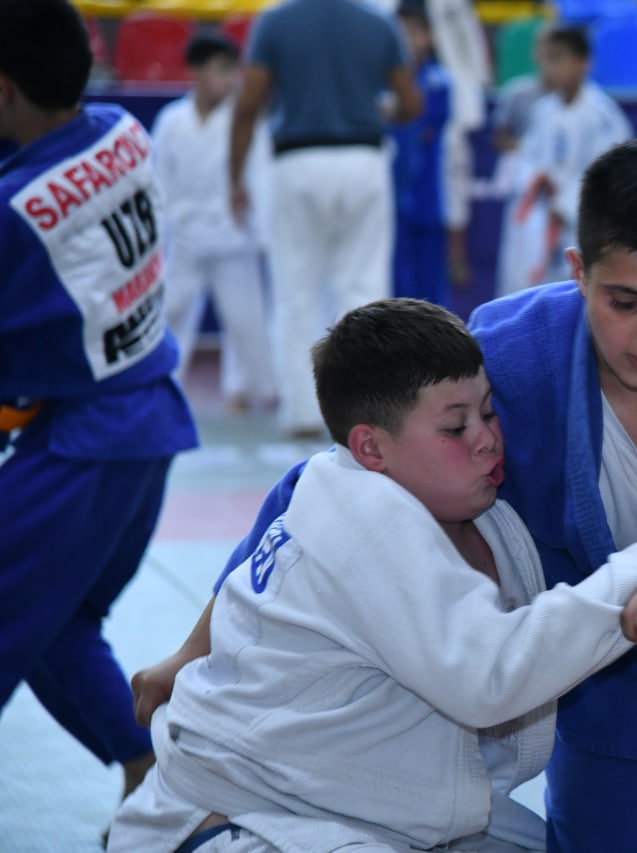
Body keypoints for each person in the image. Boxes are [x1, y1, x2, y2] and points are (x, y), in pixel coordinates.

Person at [132, 138, 637, 852]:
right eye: (625, 301)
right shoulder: (512, 358)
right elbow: (324, 489)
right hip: (614, 692)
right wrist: (193, 650)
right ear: (578, 271)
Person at [109, 298, 637, 852]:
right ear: (371, 449)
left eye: (489, 413)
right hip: (240, 818)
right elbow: (488, 678)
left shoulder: (472, 513)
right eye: (455, 428)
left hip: (346, 807)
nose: (487, 439)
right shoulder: (365, 516)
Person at [0, 0, 198, 820]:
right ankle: (146, 765)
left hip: (85, 443)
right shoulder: (122, 131)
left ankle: (163, 782)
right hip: (145, 416)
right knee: (57, 622)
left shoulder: (15, 212)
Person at [230, 0, 423, 439]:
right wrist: (383, 109)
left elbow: (248, 104)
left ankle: (302, 412)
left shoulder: (274, 22)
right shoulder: (378, 24)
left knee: (295, 291)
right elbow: (411, 102)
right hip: (364, 159)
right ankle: (368, 411)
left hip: (296, 161)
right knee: (364, 289)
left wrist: (235, 176)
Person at [152, 33, 275, 413]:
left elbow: (259, 177)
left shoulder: (244, 121)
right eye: (221, 70)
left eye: (233, 70)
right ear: (195, 72)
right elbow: (158, 180)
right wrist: (160, 231)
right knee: (170, 312)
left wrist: (263, 234)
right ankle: (162, 386)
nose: (230, 79)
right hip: (184, 234)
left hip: (232, 233)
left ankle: (246, 389)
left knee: (245, 320)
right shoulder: (172, 120)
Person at [515, 25, 631, 285]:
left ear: (583, 63)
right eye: (546, 58)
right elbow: (527, 158)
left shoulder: (602, 115)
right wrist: (536, 180)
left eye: (558, 58)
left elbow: (607, 174)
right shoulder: (543, 109)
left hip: (583, 222)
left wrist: (565, 205)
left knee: (575, 287)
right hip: (543, 215)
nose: (549, 67)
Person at [390, 0, 469, 307]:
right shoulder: (381, 84)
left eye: (415, 31)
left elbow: (420, 124)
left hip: (428, 201)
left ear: (430, 36)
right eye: (401, 32)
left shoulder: (439, 82)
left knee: (429, 292)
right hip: (391, 202)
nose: (408, 39)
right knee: (394, 288)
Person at [493, 22, 552, 298]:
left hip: (563, 196)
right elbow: (501, 138)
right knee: (520, 265)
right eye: (546, 52)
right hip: (527, 190)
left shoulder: (592, 106)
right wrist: (531, 150)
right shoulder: (518, 93)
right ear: (536, 55)